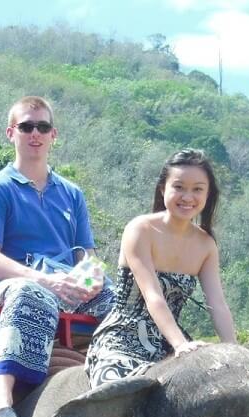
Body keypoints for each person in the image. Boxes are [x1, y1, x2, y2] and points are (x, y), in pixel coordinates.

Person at [0, 95, 115, 417]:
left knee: (124, 300)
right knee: (31, 291)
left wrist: (91, 281)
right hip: (11, 290)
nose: (35, 133)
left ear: (54, 135)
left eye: (43, 127)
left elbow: (87, 256)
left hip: (66, 288)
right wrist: (48, 281)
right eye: (26, 126)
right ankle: (2, 403)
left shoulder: (71, 194)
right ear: (11, 133)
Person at [85, 148, 237, 387]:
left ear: (208, 195)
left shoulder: (206, 245)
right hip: (123, 338)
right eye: (179, 187)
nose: (188, 197)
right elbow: (153, 295)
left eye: (197, 189)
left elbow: (217, 304)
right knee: (114, 391)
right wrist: (180, 345)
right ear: (163, 188)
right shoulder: (140, 230)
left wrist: (234, 352)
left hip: (170, 344)